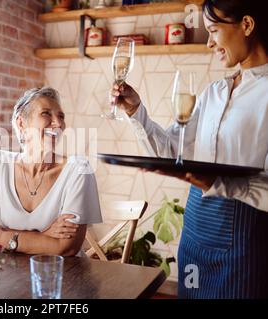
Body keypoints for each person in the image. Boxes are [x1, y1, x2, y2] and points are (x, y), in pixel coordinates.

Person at [111, 0, 268, 298]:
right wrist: (136, 112)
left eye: (213, 30)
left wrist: (216, 182)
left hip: (245, 247)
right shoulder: (214, 92)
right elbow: (173, 150)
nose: (209, 43)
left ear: (246, 25)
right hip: (195, 235)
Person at [0, 87, 102, 256]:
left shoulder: (79, 170)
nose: (58, 124)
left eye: (61, 116)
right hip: (7, 273)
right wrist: (44, 235)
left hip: (62, 274)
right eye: (46, 113)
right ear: (21, 123)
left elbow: (67, 248)